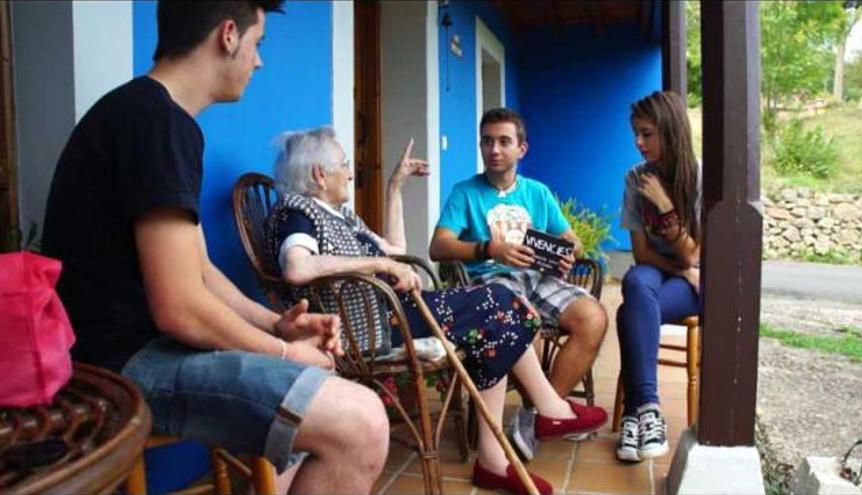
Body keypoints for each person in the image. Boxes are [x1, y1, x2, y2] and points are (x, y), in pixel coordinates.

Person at [41, 2, 390, 493]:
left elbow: (199, 270)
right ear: (229, 35)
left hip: (135, 350)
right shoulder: (156, 123)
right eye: (258, 43)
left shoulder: (150, 114)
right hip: (121, 366)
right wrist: (285, 355)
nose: (259, 61)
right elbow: (180, 309)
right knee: (362, 423)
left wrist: (277, 325)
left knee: (333, 398)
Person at [266, 127, 608, 495]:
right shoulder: (297, 213)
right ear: (320, 175)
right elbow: (297, 268)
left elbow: (395, 249)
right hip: (371, 325)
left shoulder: (339, 216)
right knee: (500, 303)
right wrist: (374, 265)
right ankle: (546, 414)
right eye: (345, 165)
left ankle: (502, 454)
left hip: (393, 309)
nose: (350, 173)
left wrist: (395, 187)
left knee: (505, 318)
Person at [428, 107, 608, 460]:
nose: (494, 149)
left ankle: (536, 415)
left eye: (504, 142)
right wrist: (489, 248)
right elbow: (438, 246)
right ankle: (549, 411)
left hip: (539, 277)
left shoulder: (538, 192)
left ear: (521, 149)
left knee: (594, 317)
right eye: (487, 141)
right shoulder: (464, 193)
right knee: (528, 326)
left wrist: (567, 252)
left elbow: (572, 239)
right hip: (491, 281)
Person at [615, 90, 701, 462]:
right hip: (663, 272)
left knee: (628, 312)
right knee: (636, 283)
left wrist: (665, 208)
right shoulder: (635, 178)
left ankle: (635, 415)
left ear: (670, 130)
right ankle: (649, 410)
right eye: (636, 133)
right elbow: (641, 254)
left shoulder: (699, 178)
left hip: (697, 284)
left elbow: (695, 254)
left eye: (647, 133)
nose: (638, 142)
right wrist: (683, 268)